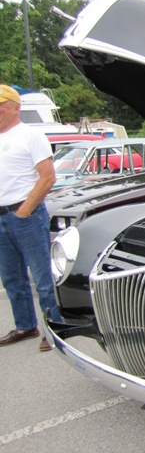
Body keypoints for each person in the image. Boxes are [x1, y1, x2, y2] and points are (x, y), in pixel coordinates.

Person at [0, 84, 63, 352]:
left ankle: (54, 329)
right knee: (11, 277)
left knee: (42, 276)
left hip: (26, 214)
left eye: (1, 105)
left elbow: (47, 177)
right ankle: (25, 325)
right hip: (2, 216)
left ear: (16, 108)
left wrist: (24, 210)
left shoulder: (30, 135)